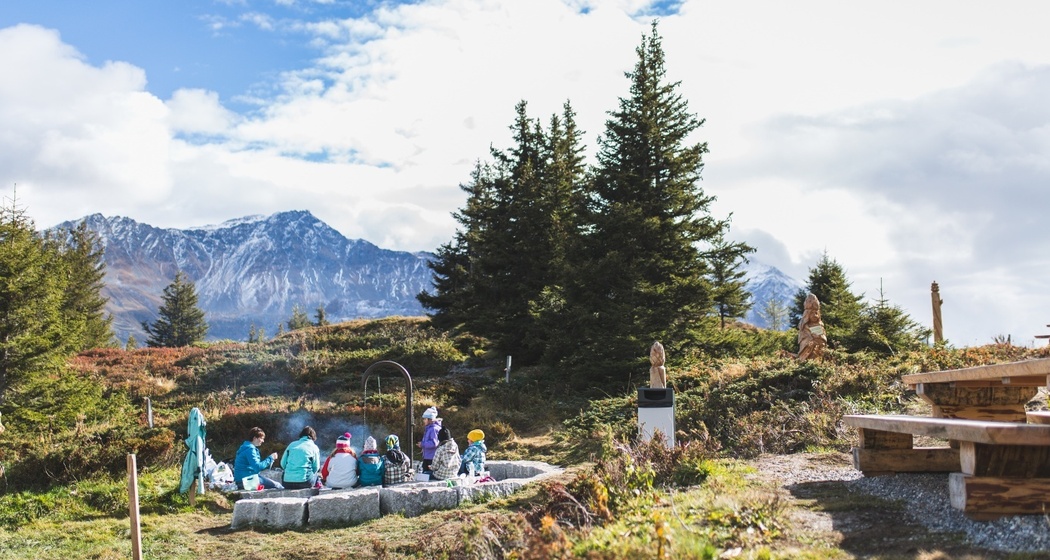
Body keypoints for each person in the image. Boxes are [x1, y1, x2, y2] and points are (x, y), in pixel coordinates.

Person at [419, 406, 441, 473]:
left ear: (430, 419)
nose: (423, 421)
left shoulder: (433, 429)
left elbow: (434, 443)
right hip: (428, 456)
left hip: (431, 457)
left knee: (427, 474)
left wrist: (423, 444)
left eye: (425, 419)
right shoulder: (429, 429)